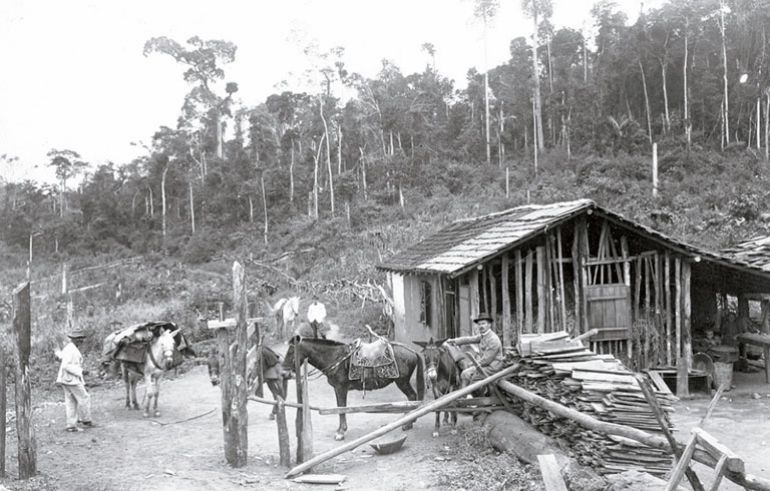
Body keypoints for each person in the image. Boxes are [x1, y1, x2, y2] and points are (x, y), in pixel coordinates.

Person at [444, 313, 504, 388]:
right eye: (479, 324)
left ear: (489, 325)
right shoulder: (483, 336)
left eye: (483, 324)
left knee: (467, 374)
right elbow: (469, 339)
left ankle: (468, 396)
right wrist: (453, 341)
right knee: (465, 373)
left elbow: (487, 360)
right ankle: (466, 394)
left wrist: (473, 364)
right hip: (485, 366)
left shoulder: (493, 339)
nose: (481, 326)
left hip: (493, 367)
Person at [56, 329, 93, 432]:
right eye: (79, 339)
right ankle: (86, 420)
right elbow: (66, 365)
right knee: (84, 397)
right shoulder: (71, 349)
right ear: (74, 339)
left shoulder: (70, 348)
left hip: (67, 379)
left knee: (71, 401)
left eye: (81, 339)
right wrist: (81, 371)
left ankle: (71, 425)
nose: (81, 341)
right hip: (71, 379)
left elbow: (61, 358)